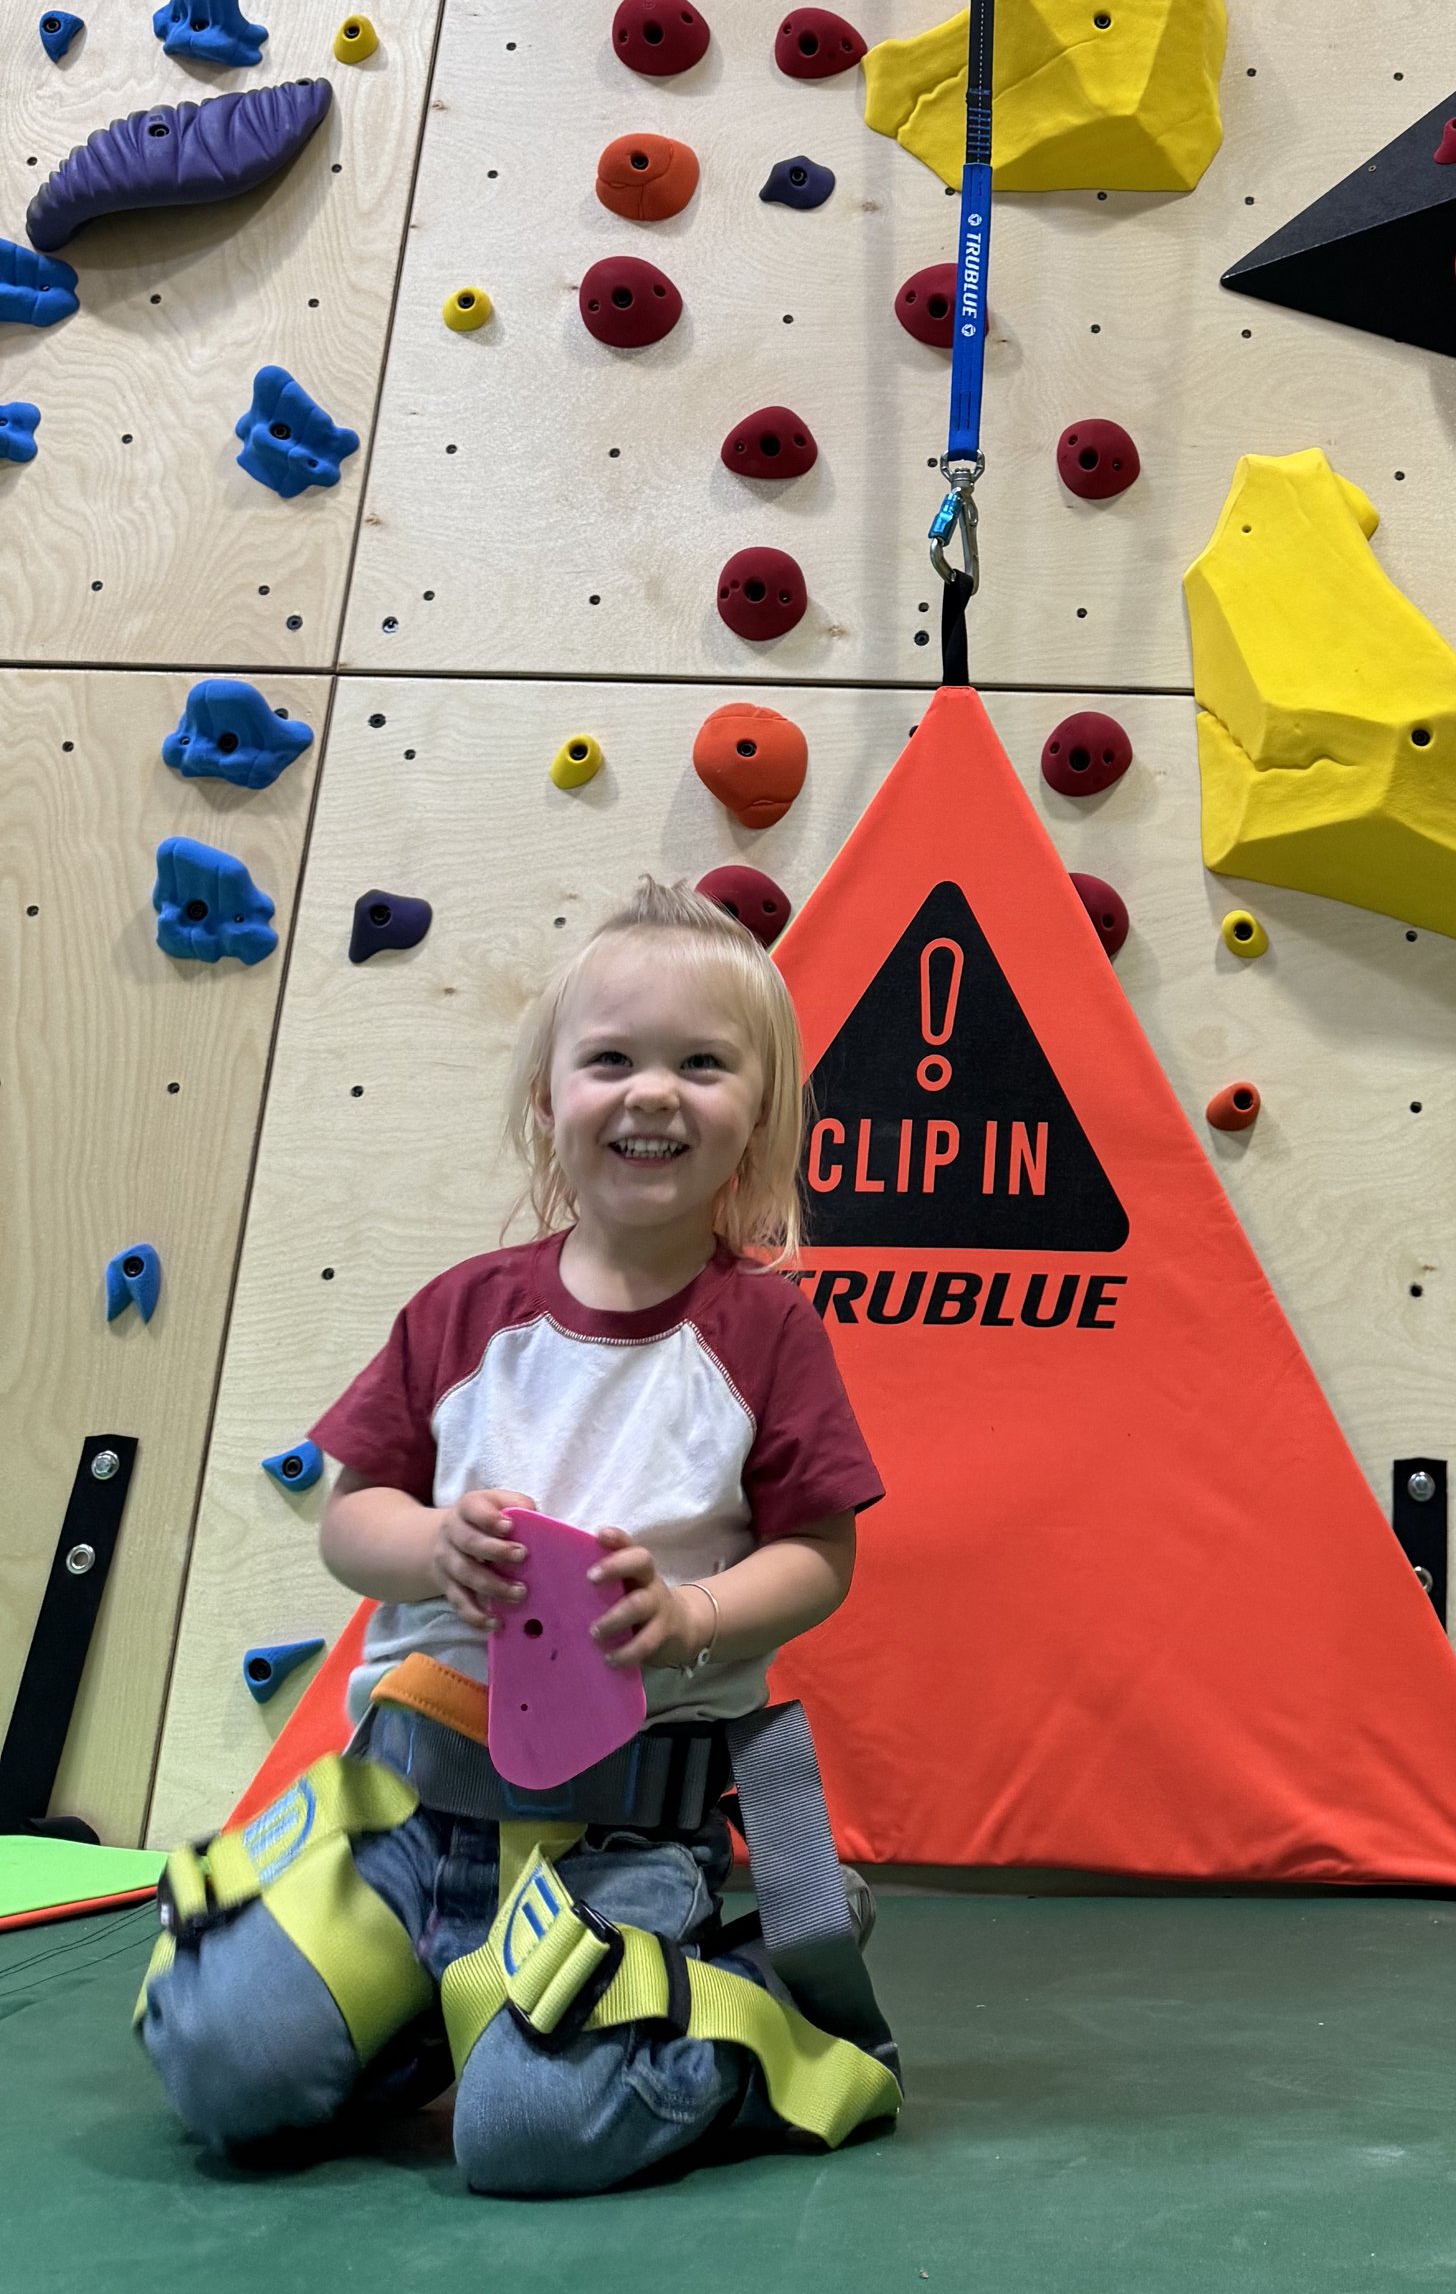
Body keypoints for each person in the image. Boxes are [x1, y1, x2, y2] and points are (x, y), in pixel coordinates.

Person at [135, 876, 893, 2195]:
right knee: (223, 2065)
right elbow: (351, 1522)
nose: (653, 1091)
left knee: (527, 2141)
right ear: (548, 1099)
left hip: (621, 1837)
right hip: (410, 1815)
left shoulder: (766, 1333)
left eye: (702, 1064)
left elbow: (821, 1554)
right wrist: (428, 1547)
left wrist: (701, 1614)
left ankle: (741, 1992)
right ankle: (418, 2010)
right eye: (611, 1058)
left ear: (756, 1117)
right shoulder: (462, 1310)